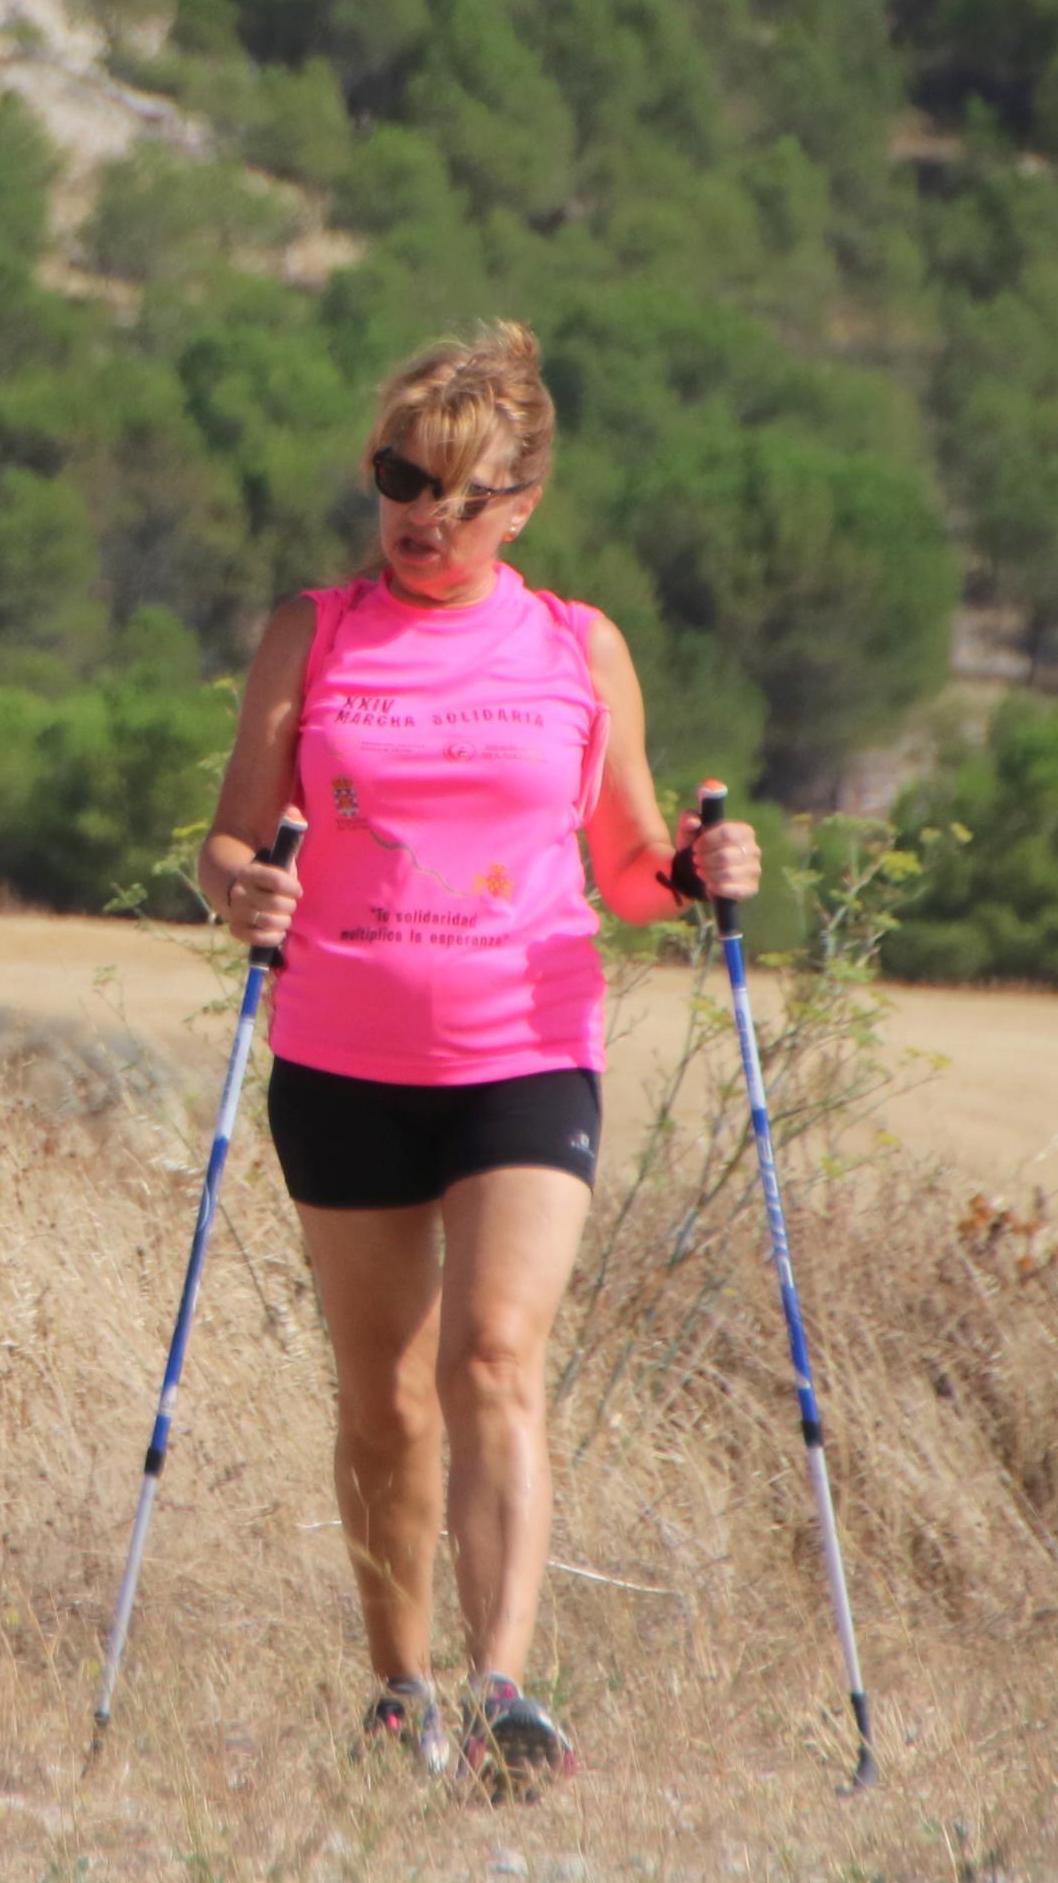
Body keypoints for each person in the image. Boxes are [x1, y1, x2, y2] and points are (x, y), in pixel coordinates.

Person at [197, 320, 758, 1794]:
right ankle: (403, 1690)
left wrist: (702, 869)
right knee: (383, 1391)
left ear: (519, 508)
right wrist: (240, 885)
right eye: (397, 477)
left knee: (495, 1355)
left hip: (525, 1042)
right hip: (341, 1045)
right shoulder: (311, 631)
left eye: (453, 491)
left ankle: (506, 1688)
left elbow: (633, 867)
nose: (416, 514)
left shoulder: (577, 646)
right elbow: (232, 836)